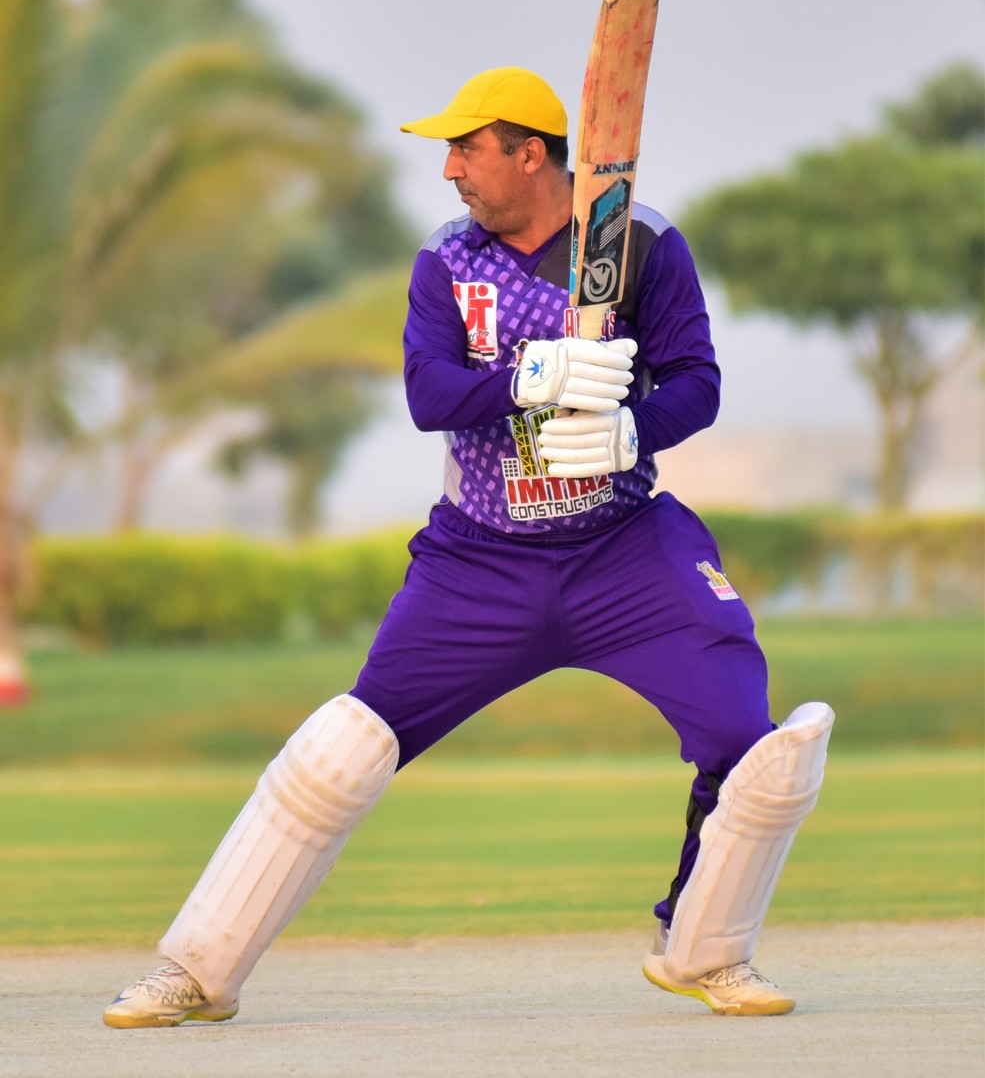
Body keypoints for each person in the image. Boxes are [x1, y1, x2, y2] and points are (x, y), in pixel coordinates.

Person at [103, 67, 833, 1029]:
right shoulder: (445, 262)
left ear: (529, 153)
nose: (449, 170)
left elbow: (697, 381)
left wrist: (631, 431)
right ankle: (196, 971)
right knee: (344, 748)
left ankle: (706, 951)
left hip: (623, 550)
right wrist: (533, 378)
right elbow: (429, 396)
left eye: (465, 148)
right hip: (479, 563)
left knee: (748, 741)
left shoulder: (643, 244)